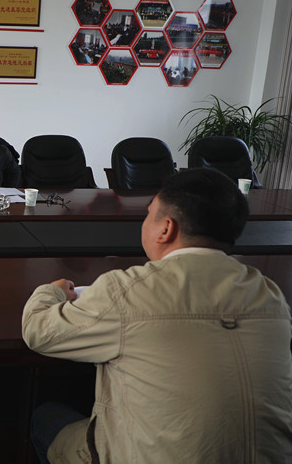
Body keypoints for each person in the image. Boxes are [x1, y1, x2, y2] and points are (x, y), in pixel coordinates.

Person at [22, 168, 292, 464]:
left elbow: (38, 331)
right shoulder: (271, 296)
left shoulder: (127, 291)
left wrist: (51, 291)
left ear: (166, 228)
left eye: (149, 214)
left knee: (46, 417)